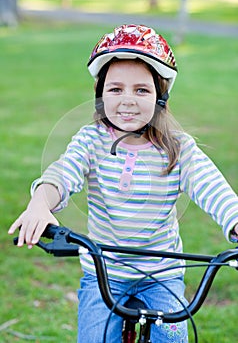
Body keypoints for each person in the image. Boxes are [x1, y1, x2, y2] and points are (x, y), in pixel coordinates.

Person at [9, 24, 238, 342]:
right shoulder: (91, 141)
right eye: (116, 89)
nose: (128, 100)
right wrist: (40, 203)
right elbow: (62, 175)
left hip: (162, 273)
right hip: (104, 272)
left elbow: (213, 187)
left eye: (141, 90)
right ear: (100, 95)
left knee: (173, 338)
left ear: (161, 97)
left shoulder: (179, 148)